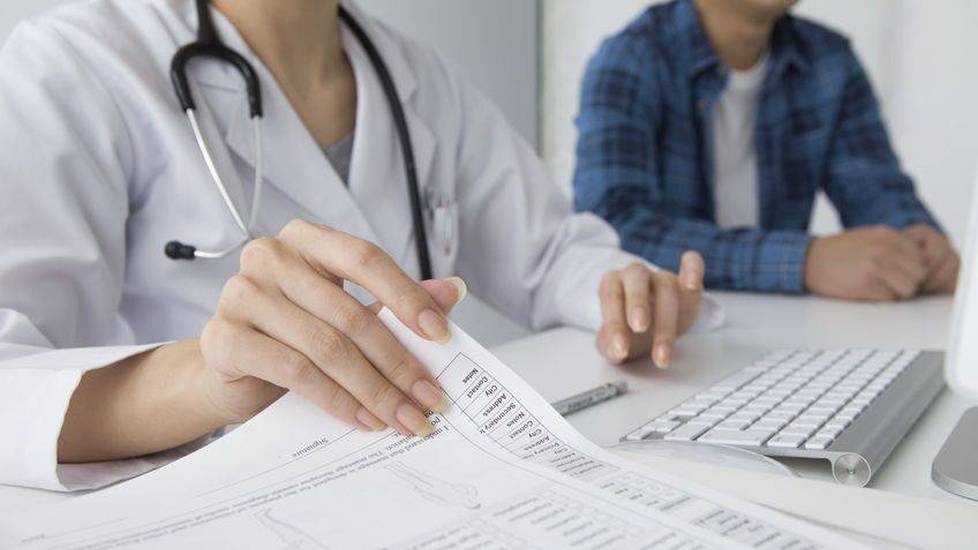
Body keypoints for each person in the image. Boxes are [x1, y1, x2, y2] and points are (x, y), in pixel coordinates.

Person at [0, 0, 713, 491]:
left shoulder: (418, 76)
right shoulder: (72, 66)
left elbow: (551, 252)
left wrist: (624, 290)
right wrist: (210, 379)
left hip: (422, 486)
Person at [573, 0, 960, 301]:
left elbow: (877, 192)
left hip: (784, 336)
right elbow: (613, 229)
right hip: (669, 339)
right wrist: (803, 261)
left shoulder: (829, 61)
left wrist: (916, 241)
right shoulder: (628, 62)